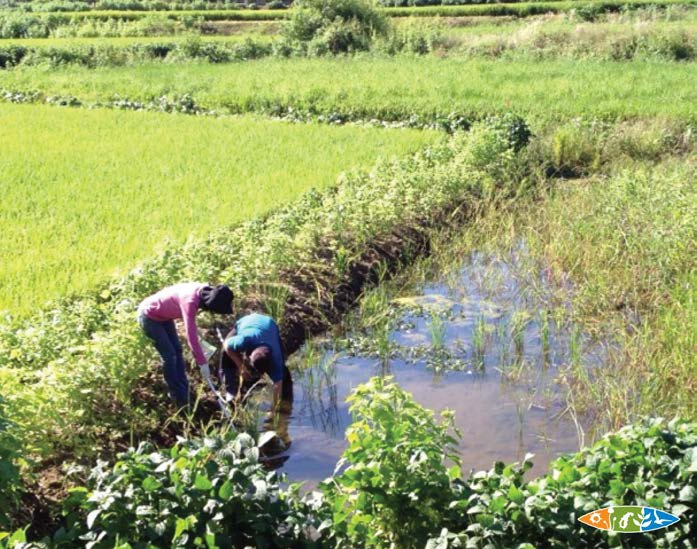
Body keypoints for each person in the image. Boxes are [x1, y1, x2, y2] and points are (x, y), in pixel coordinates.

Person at [137, 283, 233, 407]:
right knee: (169, 356)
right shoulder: (189, 302)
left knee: (177, 350)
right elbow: (191, 336)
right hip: (148, 316)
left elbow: (194, 332)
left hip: (164, 317)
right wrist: (202, 362)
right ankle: (178, 397)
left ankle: (184, 390)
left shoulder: (205, 291)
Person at [222, 313, 293, 410]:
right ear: (249, 355)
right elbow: (227, 345)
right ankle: (230, 391)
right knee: (225, 354)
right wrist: (241, 366)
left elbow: (278, 384)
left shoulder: (276, 357)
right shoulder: (244, 340)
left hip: (270, 325)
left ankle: (288, 392)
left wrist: (274, 409)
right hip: (246, 322)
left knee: (281, 370)